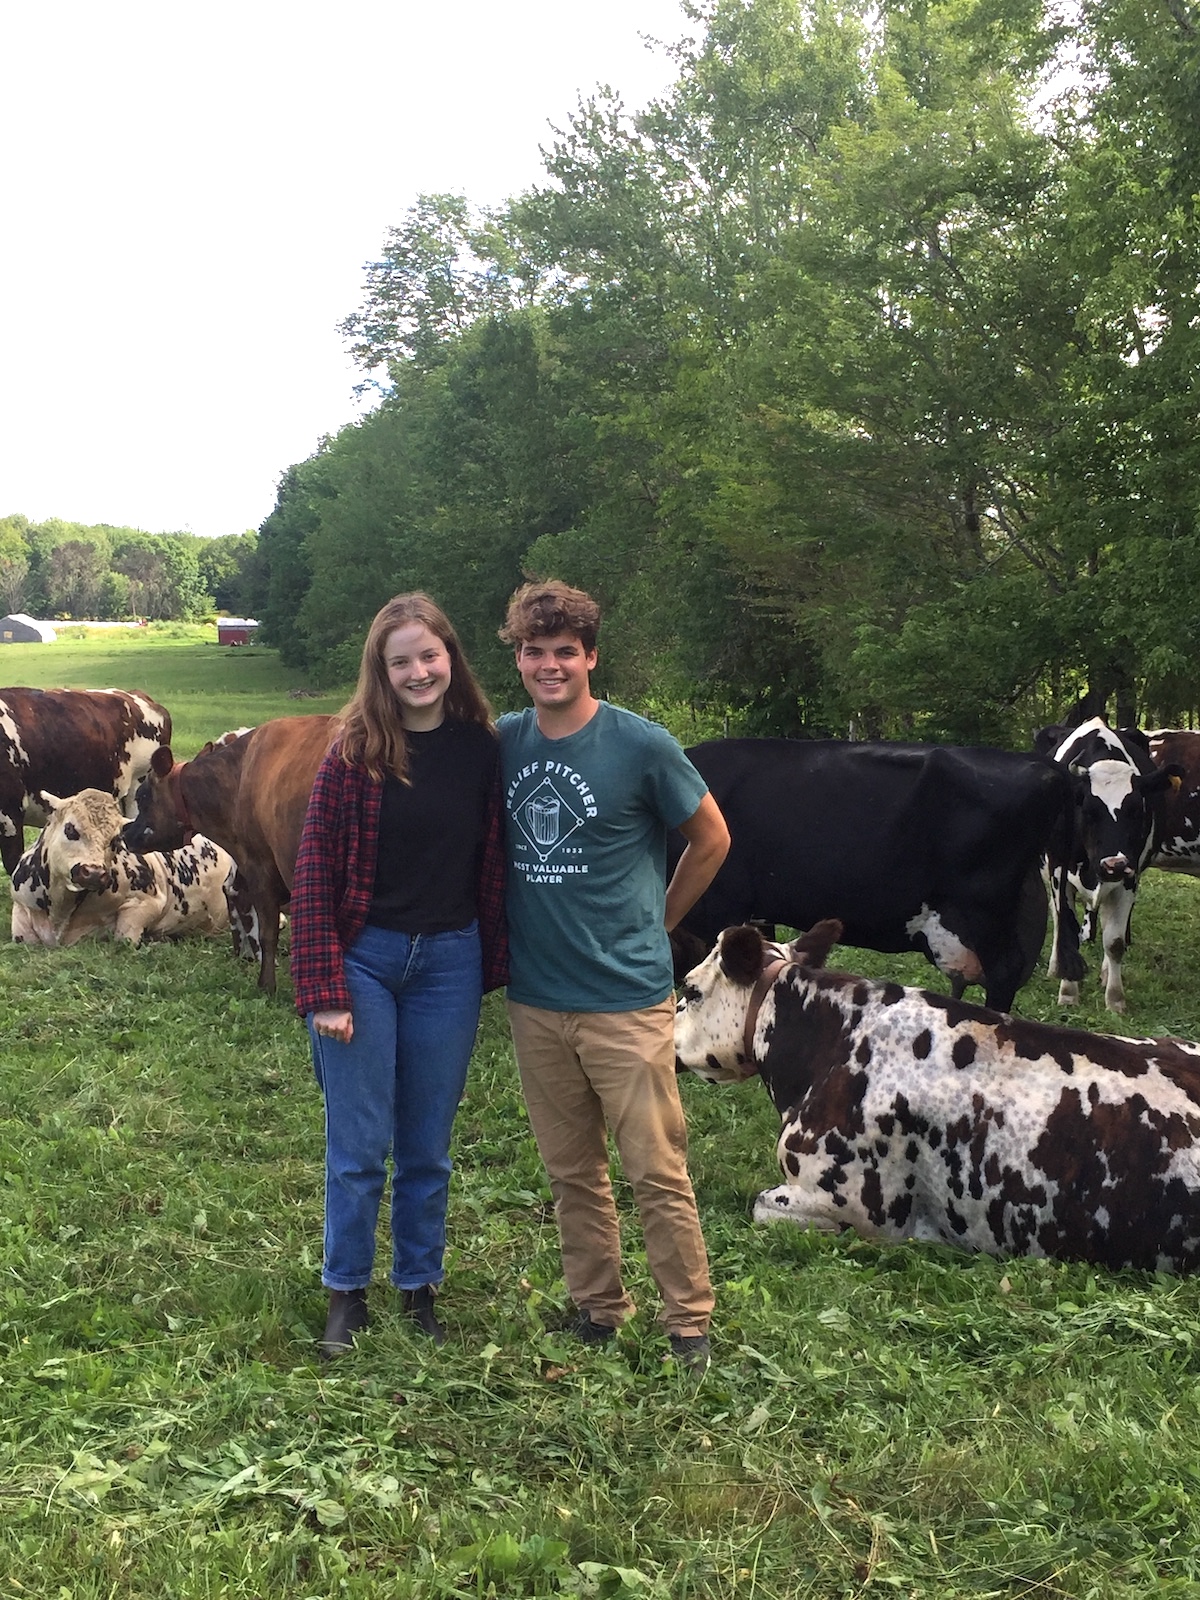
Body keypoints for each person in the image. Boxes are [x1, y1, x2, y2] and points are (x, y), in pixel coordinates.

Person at [497, 580, 730, 1372]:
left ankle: (689, 1324)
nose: (550, 664)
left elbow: (711, 839)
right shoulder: (504, 744)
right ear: (519, 658)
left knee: (655, 1169)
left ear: (592, 656)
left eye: (566, 651)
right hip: (536, 999)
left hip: (626, 999)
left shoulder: (641, 746)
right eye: (535, 651)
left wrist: (661, 921)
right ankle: (598, 1307)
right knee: (571, 1172)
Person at [290, 593, 507, 1360]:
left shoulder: (484, 749)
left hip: (451, 961)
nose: (418, 671)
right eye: (400, 661)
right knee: (357, 1143)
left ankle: (419, 1286)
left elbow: (503, 861)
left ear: (451, 657)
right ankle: (346, 1292)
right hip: (365, 959)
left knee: (427, 1145)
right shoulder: (353, 753)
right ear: (380, 672)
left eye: (430, 655)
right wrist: (323, 991)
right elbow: (312, 870)